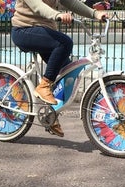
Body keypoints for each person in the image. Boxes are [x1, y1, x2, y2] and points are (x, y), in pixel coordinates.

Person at [11, 0, 106, 137]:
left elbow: (70, 2)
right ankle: (44, 85)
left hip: (45, 32)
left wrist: (94, 14)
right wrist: (57, 15)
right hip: (24, 30)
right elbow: (38, 6)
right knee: (64, 42)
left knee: (69, 73)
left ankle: (50, 115)